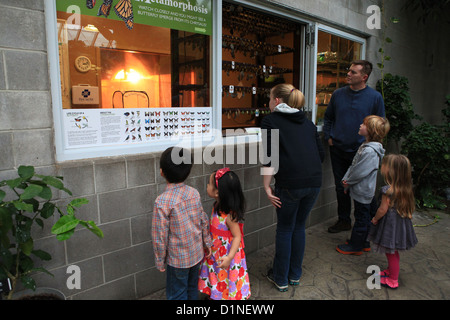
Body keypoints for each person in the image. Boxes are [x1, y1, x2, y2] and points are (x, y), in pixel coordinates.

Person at [261, 83, 324, 292]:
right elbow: (320, 155)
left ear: (277, 101)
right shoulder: (308, 124)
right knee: (299, 227)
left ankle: (280, 278)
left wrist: (267, 187)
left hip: (290, 185)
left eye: (270, 98)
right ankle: (294, 275)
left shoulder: (270, 121)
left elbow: (269, 157)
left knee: (286, 229)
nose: (269, 102)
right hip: (314, 183)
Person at [323, 60, 385, 233]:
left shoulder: (375, 97)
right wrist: (329, 136)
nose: (348, 74)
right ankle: (344, 221)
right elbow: (328, 118)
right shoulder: (338, 94)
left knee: (362, 190)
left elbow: (381, 124)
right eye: (348, 71)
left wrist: (372, 146)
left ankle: (369, 225)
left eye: (353, 72)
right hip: (337, 149)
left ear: (364, 77)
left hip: (361, 152)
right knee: (340, 187)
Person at [152, 147, 212, 300]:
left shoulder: (162, 202)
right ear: (188, 171)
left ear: (161, 172)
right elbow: (203, 220)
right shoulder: (194, 193)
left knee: (177, 293)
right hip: (196, 254)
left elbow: (160, 235)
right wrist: (207, 243)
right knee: (192, 289)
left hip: (178, 261)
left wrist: (160, 260)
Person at [336, 115, 390, 255]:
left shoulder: (369, 151)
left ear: (371, 131)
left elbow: (359, 171)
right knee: (363, 215)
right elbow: (355, 166)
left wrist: (347, 181)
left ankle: (356, 246)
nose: (360, 125)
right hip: (363, 190)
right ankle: (363, 241)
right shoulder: (366, 147)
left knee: (361, 218)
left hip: (363, 191)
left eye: (364, 124)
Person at [198, 168, 251, 300]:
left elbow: (237, 236)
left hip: (227, 254)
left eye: (209, 184)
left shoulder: (230, 215)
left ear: (217, 192)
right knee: (217, 274)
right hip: (216, 251)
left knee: (226, 277)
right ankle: (216, 295)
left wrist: (230, 257)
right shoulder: (216, 205)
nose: (207, 186)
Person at [367, 154, 418, 289]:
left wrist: (375, 218)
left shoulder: (387, 190)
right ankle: (391, 271)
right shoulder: (405, 189)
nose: (381, 166)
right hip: (400, 225)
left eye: (383, 164)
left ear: (390, 170)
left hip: (390, 226)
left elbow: (382, 209)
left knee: (391, 252)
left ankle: (392, 280)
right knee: (393, 251)